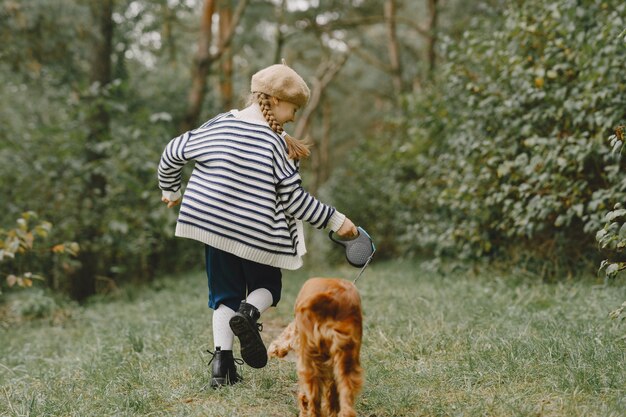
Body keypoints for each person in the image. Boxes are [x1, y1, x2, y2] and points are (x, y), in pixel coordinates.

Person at [157, 62, 358, 388]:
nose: (294, 117)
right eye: (294, 108)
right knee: (268, 287)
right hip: (257, 236)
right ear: (277, 101)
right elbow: (295, 201)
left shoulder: (220, 124)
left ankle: (222, 370)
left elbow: (173, 152)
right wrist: (338, 222)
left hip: (215, 231)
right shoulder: (275, 145)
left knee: (223, 296)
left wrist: (171, 190)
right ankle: (249, 313)